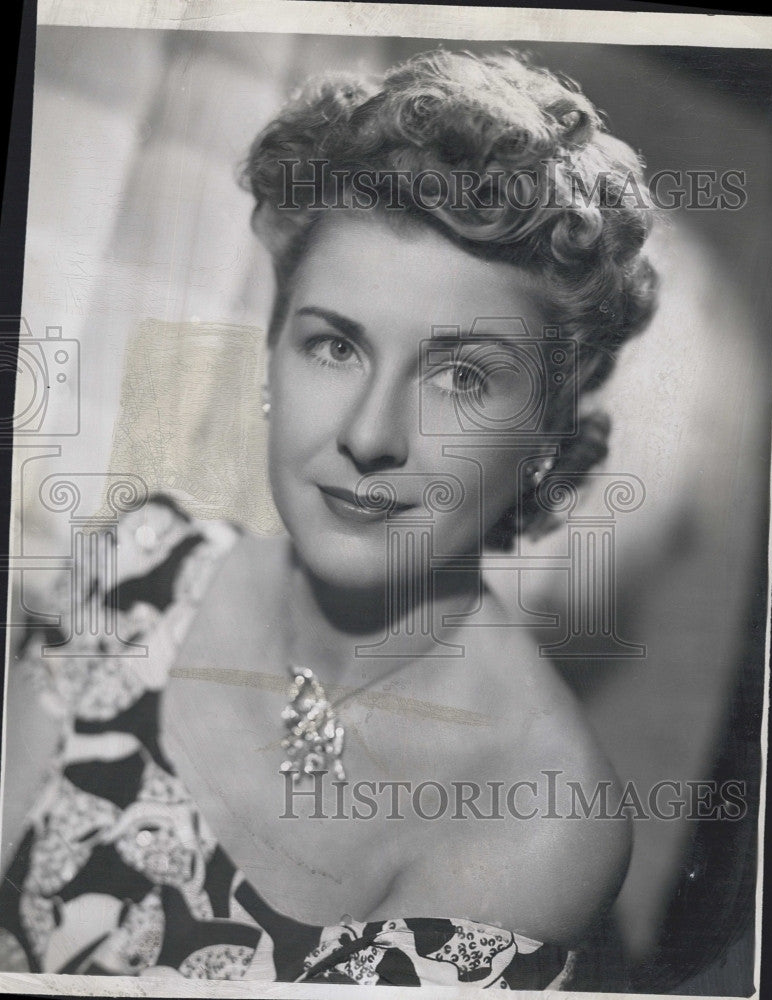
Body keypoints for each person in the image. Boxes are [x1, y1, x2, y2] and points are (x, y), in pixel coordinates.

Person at [0, 48, 657, 986]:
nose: (369, 433)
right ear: (273, 353)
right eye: (334, 346)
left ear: (546, 429)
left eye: (460, 375)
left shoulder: (544, 816)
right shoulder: (137, 563)